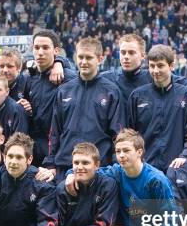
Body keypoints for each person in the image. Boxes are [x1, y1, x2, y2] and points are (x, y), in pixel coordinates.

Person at [44, 37, 126, 181]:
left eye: (89, 57)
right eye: (80, 57)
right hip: (66, 165)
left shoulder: (111, 91)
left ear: (100, 59)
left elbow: (118, 134)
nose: (83, 62)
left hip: (99, 168)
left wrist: (115, 165)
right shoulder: (64, 90)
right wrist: (50, 163)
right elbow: (54, 131)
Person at [128, 44, 187, 172]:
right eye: (152, 66)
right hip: (145, 168)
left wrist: (184, 155)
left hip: (177, 168)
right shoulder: (137, 96)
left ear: (171, 66)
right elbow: (131, 134)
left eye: (160, 65)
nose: (155, 70)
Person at [27, 30, 77, 167]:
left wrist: (60, 62)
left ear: (56, 50)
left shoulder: (68, 78)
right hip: (34, 150)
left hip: (61, 150)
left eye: (45, 48)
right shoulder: (28, 78)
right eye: (36, 48)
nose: (40, 52)